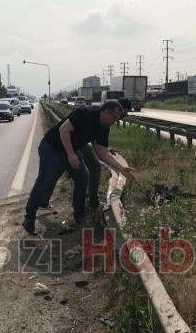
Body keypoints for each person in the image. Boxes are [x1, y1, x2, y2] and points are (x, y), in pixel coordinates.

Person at [23, 99, 138, 235]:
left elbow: (102, 153)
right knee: (46, 181)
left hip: (70, 150)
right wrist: (71, 155)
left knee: (83, 177)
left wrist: (121, 169)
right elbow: (63, 130)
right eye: (114, 117)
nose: (115, 121)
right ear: (106, 112)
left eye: (117, 118)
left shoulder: (104, 127)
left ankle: (79, 216)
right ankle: (29, 219)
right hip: (52, 147)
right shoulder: (85, 113)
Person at [80, 98, 133, 210]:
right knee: (87, 172)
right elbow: (98, 148)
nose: (121, 117)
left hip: (82, 144)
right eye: (124, 112)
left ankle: (90, 202)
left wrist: (121, 168)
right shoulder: (93, 115)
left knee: (93, 169)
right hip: (75, 144)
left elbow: (99, 146)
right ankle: (89, 203)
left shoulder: (106, 123)